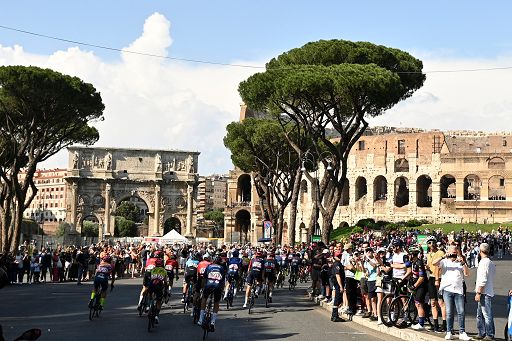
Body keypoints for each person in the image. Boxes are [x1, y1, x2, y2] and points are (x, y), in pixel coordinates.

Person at [434, 244, 471, 341]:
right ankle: (449, 332)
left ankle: (462, 332)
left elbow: (467, 274)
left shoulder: (460, 261)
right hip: (447, 289)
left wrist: (463, 263)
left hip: (458, 290)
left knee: (461, 311)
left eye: (455, 253)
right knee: (449, 312)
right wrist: (444, 256)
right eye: (452, 253)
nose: (453, 255)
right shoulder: (444, 261)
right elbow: (434, 264)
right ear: (448, 252)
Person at [197, 255, 226, 332]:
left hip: (208, 284)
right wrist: (222, 290)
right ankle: (213, 322)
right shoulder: (222, 268)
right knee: (216, 303)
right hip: (217, 286)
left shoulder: (209, 266)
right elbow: (223, 282)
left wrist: (203, 288)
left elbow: (204, 278)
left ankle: (200, 319)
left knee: (204, 298)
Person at [474, 242, 496, 340]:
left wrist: (478, 292)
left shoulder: (483, 262)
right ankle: (482, 332)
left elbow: (483, 279)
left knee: (486, 314)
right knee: (480, 314)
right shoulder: (490, 262)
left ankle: (489, 334)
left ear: (480, 251)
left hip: (484, 292)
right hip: (487, 290)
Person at [426, 236, 447, 333]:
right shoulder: (428, 254)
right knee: (433, 302)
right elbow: (430, 265)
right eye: (429, 243)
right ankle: (435, 324)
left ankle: (444, 324)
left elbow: (439, 266)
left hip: (439, 278)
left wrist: (437, 279)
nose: (431, 244)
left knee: (441, 302)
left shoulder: (440, 253)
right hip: (431, 277)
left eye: (432, 242)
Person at [407, 246, 428, 330]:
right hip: (417, 284)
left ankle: (421, 324)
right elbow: (401, 266)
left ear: (413, 255)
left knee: (418, 303)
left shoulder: (419, 263)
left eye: (409, 254)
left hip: (422, 285)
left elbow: (422, 277)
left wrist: (414, 285)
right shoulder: (412, 262)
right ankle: (422, 318)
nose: (408, 256)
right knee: (417, 303)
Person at [144, 258, 169, 324]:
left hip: (152, 284)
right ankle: (156, 316)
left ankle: (148, 306)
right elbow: (166, 282)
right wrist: (166, 290)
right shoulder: (164, 271)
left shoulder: (153, 270)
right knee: (159, 301)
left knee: (149, 294)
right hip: (159, 286)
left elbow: (150, 278)